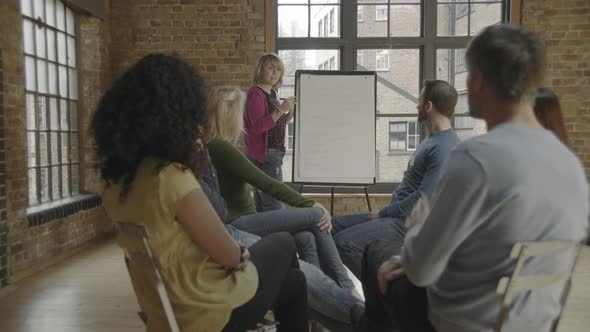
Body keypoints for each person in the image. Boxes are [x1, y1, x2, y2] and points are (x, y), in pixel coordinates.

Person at [358, 24, 589, 332]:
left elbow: (422, 271)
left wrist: (418, 229)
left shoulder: (476, 158)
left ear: (478, 80)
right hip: (531, 322)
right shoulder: (570, 165)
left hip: (461, 323)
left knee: (376, 250)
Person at [92, 53, 308, 332]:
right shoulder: (172, 178)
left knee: (294, 283)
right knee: (284, 242)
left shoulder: (117, 184)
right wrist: (237, 252)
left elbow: (174, 241)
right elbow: (231, 256)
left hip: (165, 311)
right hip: (208, 312)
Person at [206, 85, 355, 292]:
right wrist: (309, 203)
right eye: (241, 111)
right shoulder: (220, 147)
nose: (244, 118)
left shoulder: (216, 145)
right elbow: (266, 183)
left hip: (246, 219)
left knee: (307, 237)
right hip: (238, 224)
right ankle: (346, 288)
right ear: (230, 115)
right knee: (316, 214)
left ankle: (316, 312)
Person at [331, 79, 461, 278]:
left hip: (406, 223)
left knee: (344, 243)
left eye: (420, 101)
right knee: (331, 226)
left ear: (428, 106)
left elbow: (423, 197)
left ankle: (382, 297)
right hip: (396, 216)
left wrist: (383, 213)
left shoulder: (444, 147)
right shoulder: (432, 139)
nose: (417, 105)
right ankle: (338, 293)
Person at [244, 53, 296, 212]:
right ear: (260, 70)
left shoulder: (272, 93)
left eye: (278, 69)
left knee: (264, 206)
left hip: (274, 154)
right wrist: (281, 109)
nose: (275, 73)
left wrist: (290, 112)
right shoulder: (256, 94)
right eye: (270, 68)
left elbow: (277, 124)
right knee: (274, 207)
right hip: (265, 156)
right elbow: (257, 127)